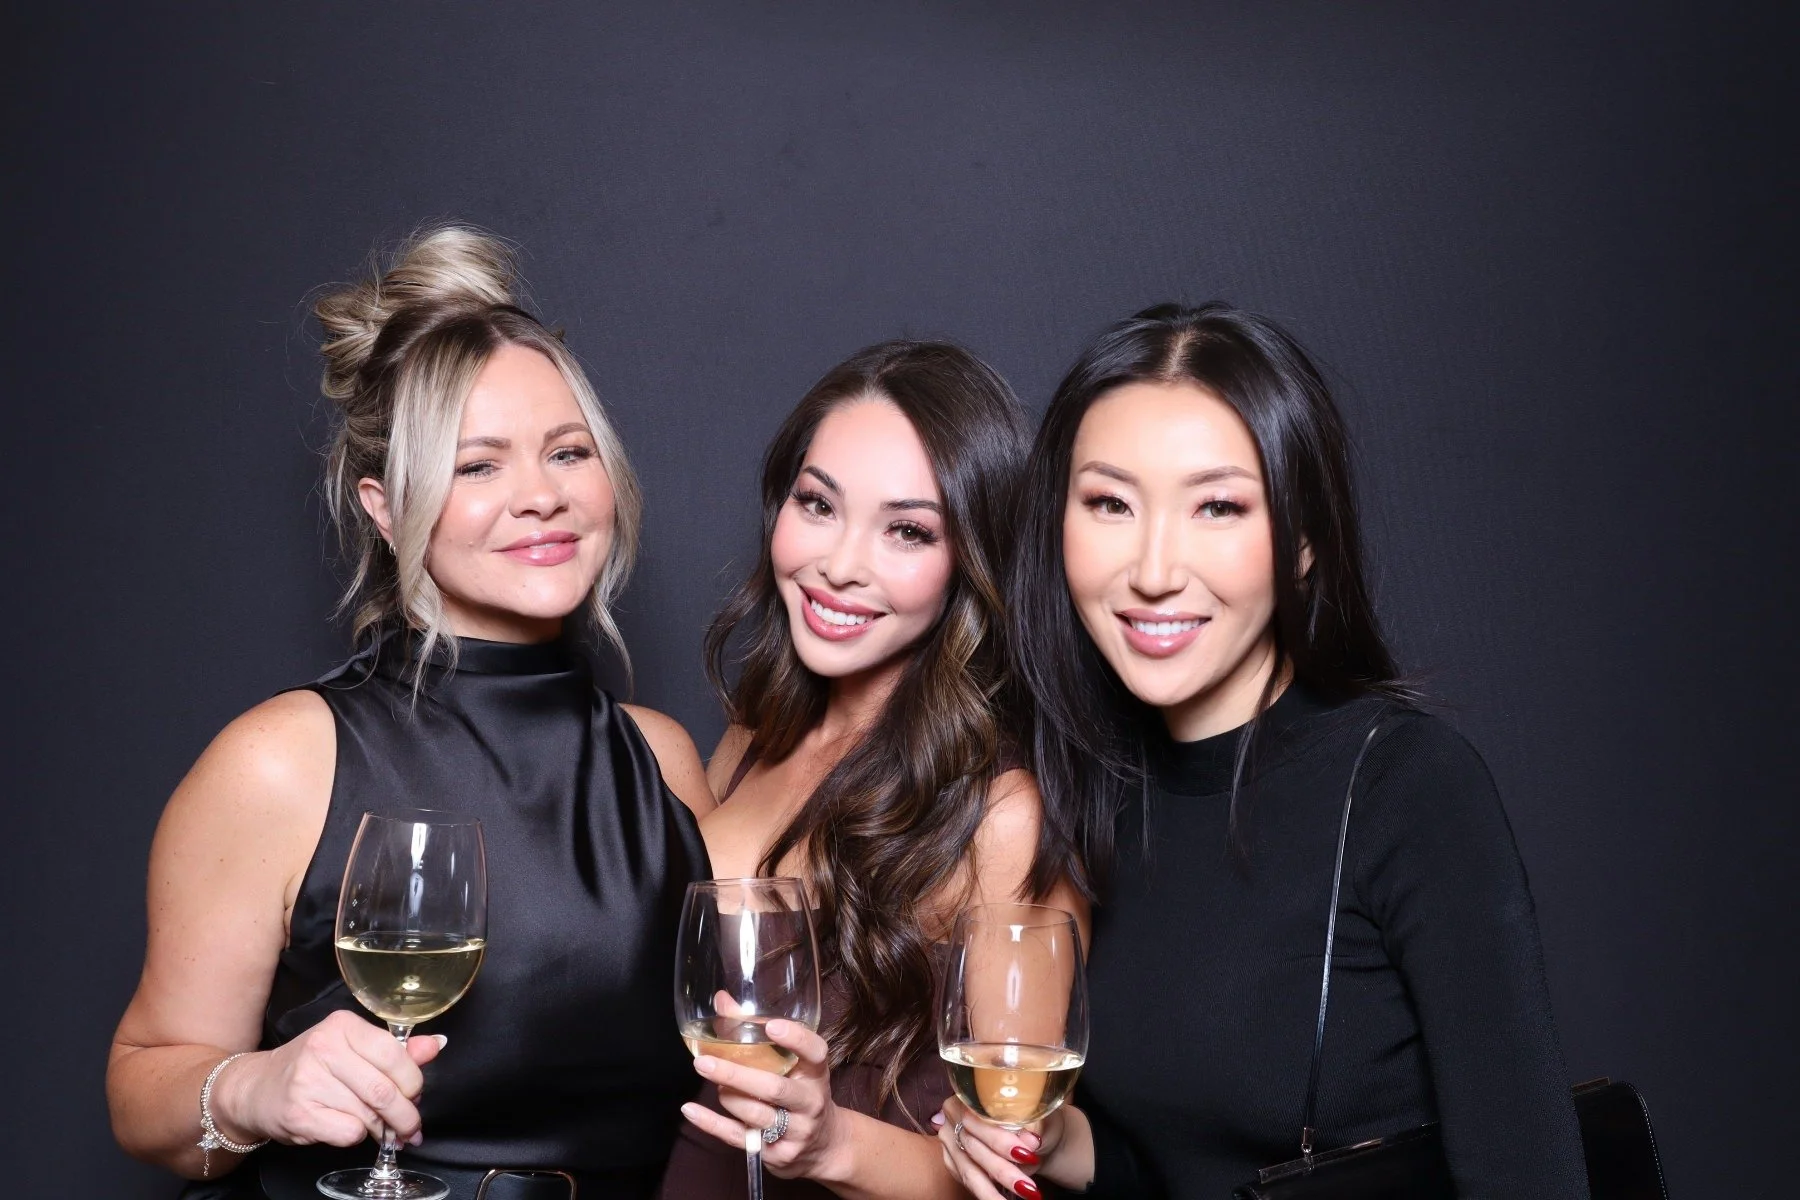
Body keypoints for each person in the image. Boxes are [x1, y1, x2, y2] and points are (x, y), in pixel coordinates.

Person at [107, 227, 714, 1200]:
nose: (542, 497)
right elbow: (143, 1089)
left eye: (568, 452)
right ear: (386, 510)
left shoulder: (664, 764)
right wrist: (261, 1088)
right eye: (478, 467)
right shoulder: (283, 761)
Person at [937, 304, 1590, 1199]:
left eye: (1217, 506)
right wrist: (1059, 1148)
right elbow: (1186, 1165)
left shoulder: (1407, 787)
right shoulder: (1097, 789)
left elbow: (1529, 1175)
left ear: (1307, 542)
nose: (1156, 568)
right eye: (1110, 504)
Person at [659, 342, 1087, 1200]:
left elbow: (1003, 1169)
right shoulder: (754, 736)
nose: (841, 562)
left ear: (972, 560)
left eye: (907, 530)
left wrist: (828, 1146)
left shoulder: (1000, 812)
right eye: (817, 505)